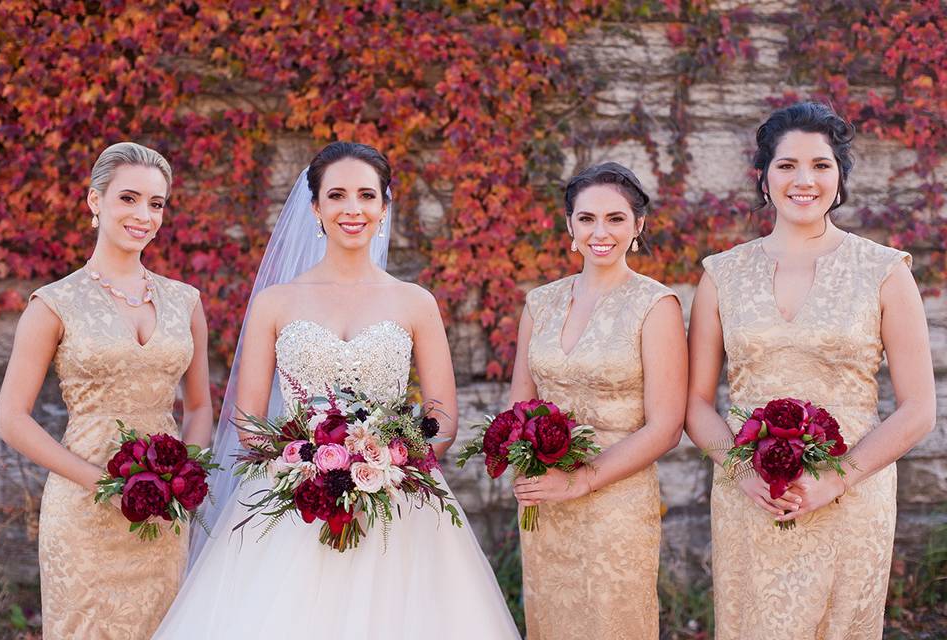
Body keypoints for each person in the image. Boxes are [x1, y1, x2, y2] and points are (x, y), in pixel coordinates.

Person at [154, 141, 519, 639]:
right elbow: (248, 422)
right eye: (338, 195)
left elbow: (443, 418)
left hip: (398, 501)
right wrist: (303, 466)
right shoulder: (275, 303)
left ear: (385, 207)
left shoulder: (415, 303)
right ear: (316, 208)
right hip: (292, 500)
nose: (353, 209)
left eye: (367, 196)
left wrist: (391, 462)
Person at [685, 102, 936, 639]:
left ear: (840, 174)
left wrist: (836, 478)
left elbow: (918, 410)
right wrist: (741, 470)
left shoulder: (884, 271)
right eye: (787, 165)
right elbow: (695, 403)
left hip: (853, 496)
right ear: (764, 176)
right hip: (752, 498)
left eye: (821, 165)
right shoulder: (721, 275)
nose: (804, 180)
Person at [0, 142, 213, 639]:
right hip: (83, 515)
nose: (144, 215)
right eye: (129, 199)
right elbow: (12, 417)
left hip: (163, 518)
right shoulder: (54, 303)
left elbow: (200, 406)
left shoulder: (185, 301)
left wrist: (182, 478)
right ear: (95, 201)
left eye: (156, 204)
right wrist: (106, 485)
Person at [509, 162, 687, 639]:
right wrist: (525, 469)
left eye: (615, 218)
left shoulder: (656, 305)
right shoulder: (540, 303)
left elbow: (666, 426)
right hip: (545, 499)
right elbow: (518, 408)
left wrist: (582, 480)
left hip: (616, 504)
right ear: (569, 225)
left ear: (638, 226)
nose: (600, 232)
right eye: (586, 218)